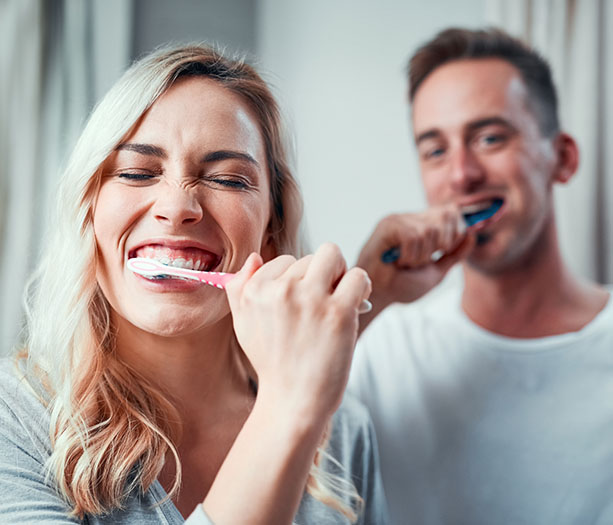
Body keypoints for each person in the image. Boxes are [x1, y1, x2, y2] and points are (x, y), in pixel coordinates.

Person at [0, 44, 390, 524]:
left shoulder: (343, 429)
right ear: (89, 212)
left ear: (270, 230)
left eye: (228, 180)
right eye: (136, 172)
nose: (178, 206)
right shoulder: (13, 420)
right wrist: (287, 409)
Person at [349, 27, 613, 525]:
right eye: (435, 150)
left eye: (490, 138)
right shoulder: (379, 350)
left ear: (563, 157)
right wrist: (368, 290)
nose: (462, 174)